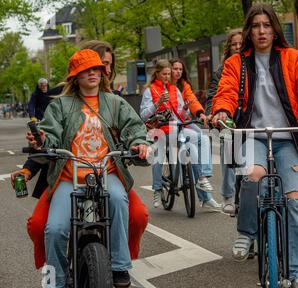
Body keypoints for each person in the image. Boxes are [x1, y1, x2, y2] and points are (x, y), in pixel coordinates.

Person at [211, 3, 298, 288]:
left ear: (275, 28)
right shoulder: (236, 63)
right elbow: (226, 91)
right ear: (248, 31)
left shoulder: (293, 58)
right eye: (255, 26)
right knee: (252, 176)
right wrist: (220, 111)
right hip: (252, 135)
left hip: (288, 138)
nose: (261, 31)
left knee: (294, 200)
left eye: (267, 25)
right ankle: (246, 231)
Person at [11, 41, 150, 271]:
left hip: (108, 174)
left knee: (124, 205)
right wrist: (41, 141)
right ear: (75, 76)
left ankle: (120, 265)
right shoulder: (60, 104)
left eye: (99, 67)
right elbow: (50, 136)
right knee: (51, 228)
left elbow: (135, 128)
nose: (94, 72)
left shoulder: (116, 102)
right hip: (68, 177)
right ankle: (54, 281)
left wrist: (139, 144)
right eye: (87, 69)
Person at [140, 59, 217, 210]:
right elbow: (143, 115)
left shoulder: (175, 90)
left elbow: (181, 115)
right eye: (164, 74)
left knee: (200, 138)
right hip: (160, 131)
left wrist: (185, 109)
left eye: (169, 74)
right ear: (157, 74)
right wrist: (157, 103)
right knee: (159, 153)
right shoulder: (150, 91)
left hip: (176, 129)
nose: (167, 77)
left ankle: (202, 176)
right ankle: (157, 189)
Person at [170, 58, 221, 211]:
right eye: (175, 69)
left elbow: (192, 100)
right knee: (193, 146)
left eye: (180, 69)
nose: (178, 72)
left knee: (204, 138)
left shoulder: (183, 85)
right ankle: (205, 192)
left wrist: (200, 113)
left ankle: (203, 177)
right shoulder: (165, 86)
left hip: (184, 121)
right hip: (171, 125)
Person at [206, 28, 242, 215]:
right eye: (234, 44)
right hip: (228, 120)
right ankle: (228, 195)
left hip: (250, 119)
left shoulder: (255, 66)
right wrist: (212, 114)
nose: (237, 47)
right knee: (229, 147)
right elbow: (212, 96)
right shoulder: (222, 71)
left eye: (240, 44)